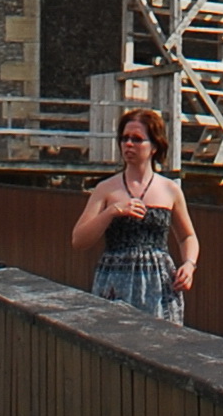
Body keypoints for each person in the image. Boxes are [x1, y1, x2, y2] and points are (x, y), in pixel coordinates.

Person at [68, 105, 196, 318]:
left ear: (154, 146)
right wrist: (111, 212)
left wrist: (189, 265)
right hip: (116, 279)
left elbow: (187, 236)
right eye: (124, 138)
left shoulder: (170, 189)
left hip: (158, 281)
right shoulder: (106, 188)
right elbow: (78, 240)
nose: (128, 144)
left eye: (137, 139)